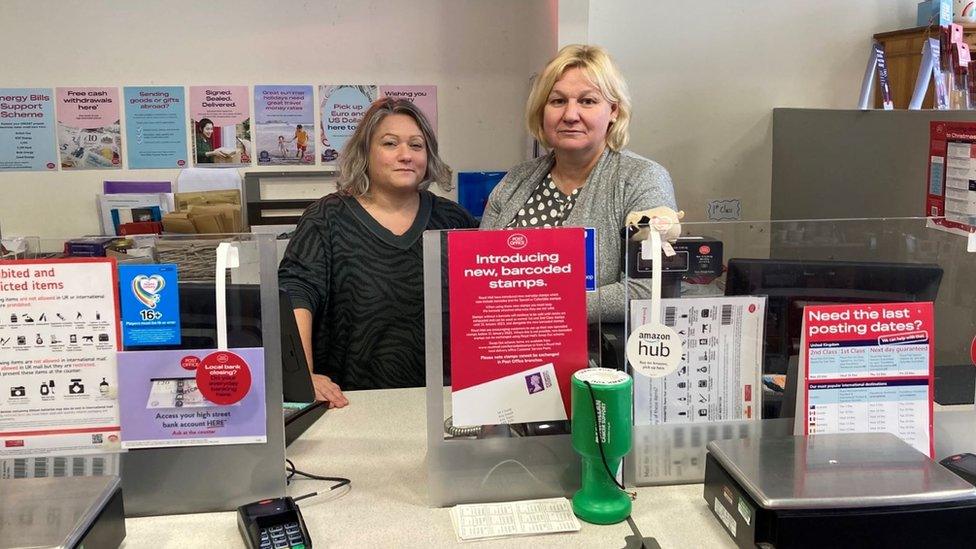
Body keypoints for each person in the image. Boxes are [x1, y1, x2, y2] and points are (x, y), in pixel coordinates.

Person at [279, 98, 477, 407]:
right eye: (390, 144)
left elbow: (484, 304)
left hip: (443, 401)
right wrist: (302, 377)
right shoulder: (327, 218)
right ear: (366, 152)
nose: (405, 155)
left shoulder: (454, 220)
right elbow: (295, 293)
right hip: (349, 402)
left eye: (416, 145)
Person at [480, 44, 679, 322]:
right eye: (558, 101)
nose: (570, 115)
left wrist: (546, 307)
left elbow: (647, 289)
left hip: (599, 360)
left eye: (587, 101)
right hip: (511, 352)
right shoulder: (516, 180)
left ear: (613, 111)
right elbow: (477, 280)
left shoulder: (641, 178)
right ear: (542, 111)